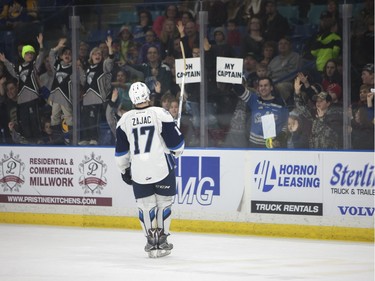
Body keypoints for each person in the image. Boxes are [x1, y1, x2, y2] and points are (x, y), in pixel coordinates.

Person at [115, 81, 184, 258]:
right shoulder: (161, 113)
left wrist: (124, 171)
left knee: (145, 207)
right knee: (164, 204)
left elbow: (121, 154)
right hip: (162, 169)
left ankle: (150, 240)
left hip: (139, 172)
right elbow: (178, 145)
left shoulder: (124, 120)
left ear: (131, 98)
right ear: (148, 95)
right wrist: (175, 150)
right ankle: (162, 239)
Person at [0, 33, 45, 144]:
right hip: (22, 100)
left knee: (34, 119)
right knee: (24, 121)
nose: (29, 55)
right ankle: (28, 140)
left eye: (31, 53)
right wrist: (5, 61)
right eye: (27, 53)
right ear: (23, 55)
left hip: (32, 97)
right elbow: (12, 70)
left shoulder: (34, 66)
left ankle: (38, 139)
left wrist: (41, 44)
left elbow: (41, 56)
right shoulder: (19, 68)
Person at [232, 77, 289, 148]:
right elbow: (239, 90)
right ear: (258, 88)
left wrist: (279, 139)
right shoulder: (254, 100)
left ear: (271, 88)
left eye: (266, 85)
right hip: (254, 144)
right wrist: (232, 78)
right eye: (261, 86)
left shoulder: (280, 103)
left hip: (273, 145)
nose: (263, 88)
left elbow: (286, 124)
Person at [49, 38, 85, 144]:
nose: (67, 55)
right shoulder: (58, 65)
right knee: (54, 117)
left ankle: (71, 140)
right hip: (56, 96)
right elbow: (51, 55)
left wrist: (80, 68)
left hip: (66, 97)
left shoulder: (74, 68)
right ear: (61, 56)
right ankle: (56, 139)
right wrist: (58, 46)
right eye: (65, 53)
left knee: (69, 117)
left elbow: (82, 81)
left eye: (69, 54)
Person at [80, 36, 114, 145]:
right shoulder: (89, 68)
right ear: (91, 56)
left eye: (99, 54)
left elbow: (110, 61)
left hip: (98, 97)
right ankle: (85, 138)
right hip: (87, 97)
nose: (97, 56)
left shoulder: (103, 66)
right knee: (85, 118)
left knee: (93, 118)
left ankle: (94, 138)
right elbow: (85, 82)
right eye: (95, 54)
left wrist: (109, 47)